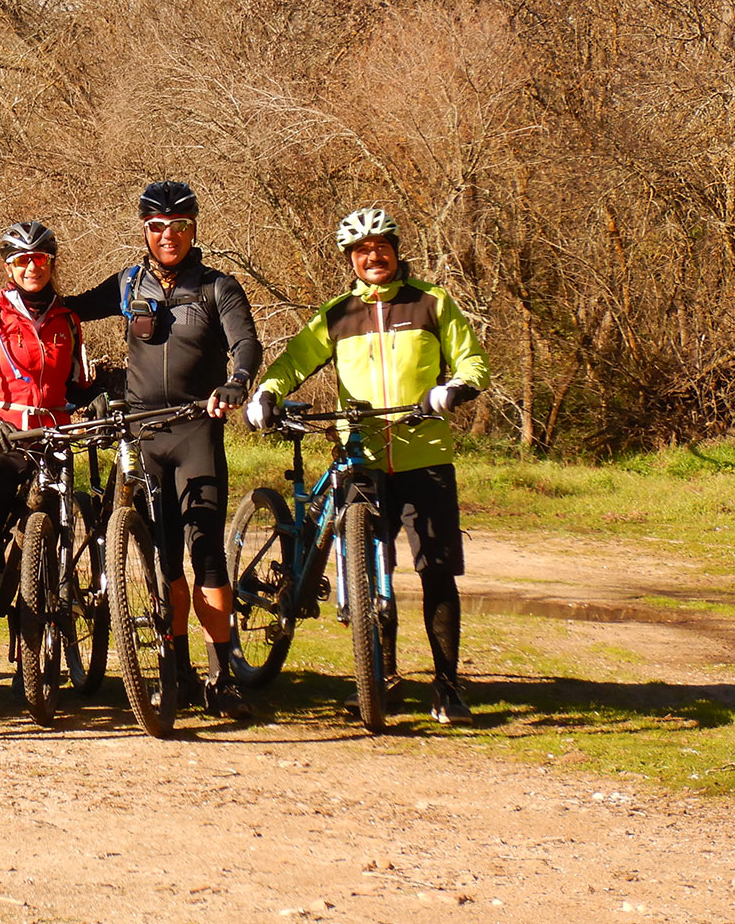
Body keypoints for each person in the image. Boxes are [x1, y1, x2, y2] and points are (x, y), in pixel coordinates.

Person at [245, 207, 490, 726]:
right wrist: (267, 392)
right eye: (361, 250)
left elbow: (473, 364)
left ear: (397, 250)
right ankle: (381, 677)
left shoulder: (432, 302)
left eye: (381, 246)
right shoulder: (338, 314)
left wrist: (449, 390)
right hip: (362, 456)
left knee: (438, 573)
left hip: (424, 455)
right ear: (350, 260)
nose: (372, 256)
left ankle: (447, 687)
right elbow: (292, 362)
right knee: (372, 566)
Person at [67, 181, 263, 718]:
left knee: (206, 556)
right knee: (162, 561)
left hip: (196, 431)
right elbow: (70, 309)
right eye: (157, 227)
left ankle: (223, 675)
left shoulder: (217, 287)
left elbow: (246, 343)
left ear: (193, 229)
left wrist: (236, 382)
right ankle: (174, 667)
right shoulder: (130, 282)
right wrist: (5, 304)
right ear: (145, 232)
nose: (168, 236)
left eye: (178, 227)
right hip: (143, 434)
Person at [0, 220, 90, 696]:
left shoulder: (68, 320)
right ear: (9, 266)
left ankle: (37, 641)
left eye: (40, 259)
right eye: (22, 260)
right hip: (0, 443)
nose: (32, 268)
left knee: (55, 544)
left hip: (52, 442)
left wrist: (99, 395)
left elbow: (74, 387)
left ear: (51, 262)